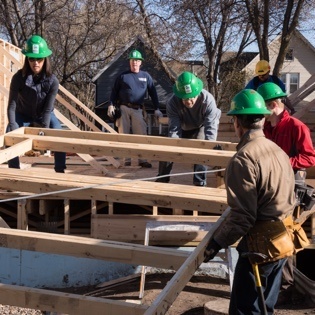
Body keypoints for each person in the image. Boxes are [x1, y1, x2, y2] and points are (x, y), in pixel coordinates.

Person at [204, 89, 296, 314]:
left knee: (246, 310)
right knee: (266, 308)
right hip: (282, 243)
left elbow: (243, 217)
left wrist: (216, 243)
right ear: (262, 119)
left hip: (259, 249)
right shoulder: (278, 151)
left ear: (236, 122)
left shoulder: (243, 159)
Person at [257, 82, 315, 302]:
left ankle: (285, 288)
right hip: (268, 187)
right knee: (268, 234)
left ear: (273, 104)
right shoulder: (267, 128)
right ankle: (270, 285)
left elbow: (309, 157)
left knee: (284, 237)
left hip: (289, 189)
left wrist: (283, 163)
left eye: (262, 107)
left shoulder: (296, 127)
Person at [7, 35, 66, 173]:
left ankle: (60, 169)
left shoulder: (53, 81)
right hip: (22, 114)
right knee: (9, 134)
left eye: (39, 59)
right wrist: (14, 126)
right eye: (32, 59)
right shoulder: (18, 78)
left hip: (44, 114)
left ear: (45, 59)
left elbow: (48, 109)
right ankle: (14, 172)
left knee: (59, 133)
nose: (36, 63)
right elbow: (11, 106)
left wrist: (44, 130)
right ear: (27, 59)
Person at [155, 71, 221, 186]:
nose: (188, 101)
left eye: (192, 98)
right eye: (185, 99)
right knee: (167, 147)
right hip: (182, 126)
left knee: (202, 148)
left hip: (200, 126)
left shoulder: (208, 101)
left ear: (197, 92)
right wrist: (175, 149)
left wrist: (210, 148)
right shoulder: (172, 103)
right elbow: (174, 130)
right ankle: (162, 179)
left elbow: (210, 129)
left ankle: (199, 182)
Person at [107, 49, 163, 168]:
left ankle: (142, 160)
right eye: (132, 61)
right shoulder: (123, 76)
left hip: (138, 109)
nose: (134, 63)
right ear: (129, 62)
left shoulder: (146, 76)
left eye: (137, 61)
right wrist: (111, 104)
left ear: (140, 63)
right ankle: (125, 160)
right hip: (123, 108)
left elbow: (153, 92)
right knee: (124, 134)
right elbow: (114, 92)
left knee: (141, 134)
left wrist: (157, 108)